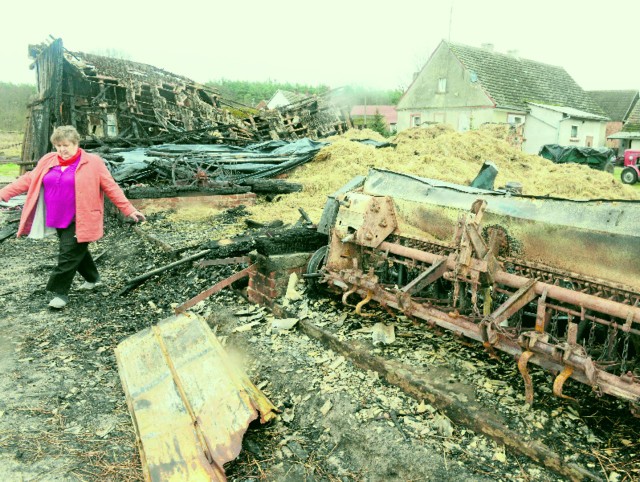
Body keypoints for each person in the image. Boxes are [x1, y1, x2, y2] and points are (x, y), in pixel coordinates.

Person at [0, 125, 145, 309]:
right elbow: (28, 179)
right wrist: (3, 194)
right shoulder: (48, 160)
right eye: (58, 145)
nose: (62, 150)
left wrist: (129, 210)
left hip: (81, 218)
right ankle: (93, 278)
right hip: (57, 217)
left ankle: (59, 293)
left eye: (66, 145)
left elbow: (111, 187)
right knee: (76, 251)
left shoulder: (92, 162)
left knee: (68, 255)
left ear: (76, 143)